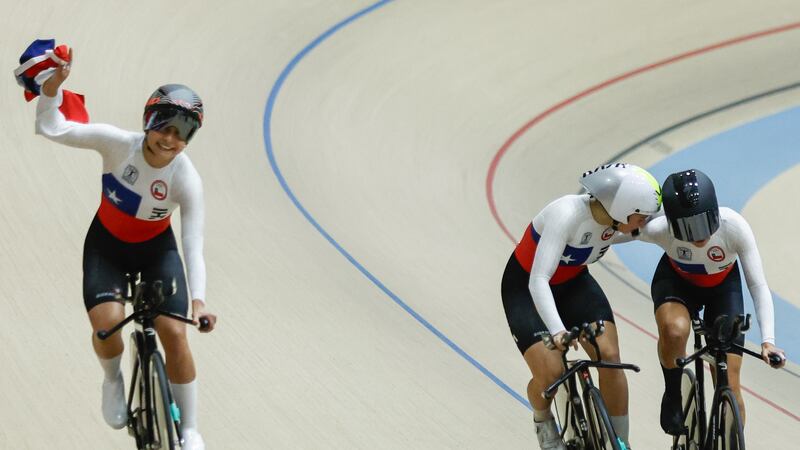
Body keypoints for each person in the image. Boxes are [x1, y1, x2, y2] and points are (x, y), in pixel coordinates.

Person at [34, 49, 217, 450]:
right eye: (164, 128)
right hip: (108, 248)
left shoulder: (187, 178)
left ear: (189, 139)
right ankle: (113, 378)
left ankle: (189, 429)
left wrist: (199, 302)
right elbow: (52, 127)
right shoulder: (118, 145)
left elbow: (193, 244)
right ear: (148, 123)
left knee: (174, 332)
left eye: (181, 133)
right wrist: (51, 90)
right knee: (108, 328)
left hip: (157, 252)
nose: (169, 140)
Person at [501, 163, 662, 449]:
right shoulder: (566, 215)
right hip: (527, 287)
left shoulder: (614, 219)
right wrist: (558, 331)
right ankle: (543, 420)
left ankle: (619, 442)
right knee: (551, 374)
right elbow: (538, 280)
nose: (644, 221)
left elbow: (637, 232)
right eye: (641, 216)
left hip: (574, 283)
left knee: (609, 356)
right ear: (623, 207)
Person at [635, 168, 786, 436]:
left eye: (704, 224)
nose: (698, 235)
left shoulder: (734, 227)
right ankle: (672, 394)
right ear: (672, 224)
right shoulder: (659, 229)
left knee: (729, 380)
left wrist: (768, 341)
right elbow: (616, 230)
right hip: (676, 283)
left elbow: (758, 285)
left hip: (722, 288)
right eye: (688, 229)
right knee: (674, 330)